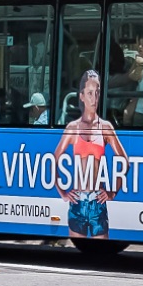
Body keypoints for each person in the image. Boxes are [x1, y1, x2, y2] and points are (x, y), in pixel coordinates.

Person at [53, 70, 128, 240]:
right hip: (77, 201)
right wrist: (63, 192)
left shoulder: (106, 127)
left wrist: (112, 192)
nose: (94, 98)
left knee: (101, 257)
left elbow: (125, 161)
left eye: (97, 93)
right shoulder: (73, 128)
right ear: (81, 96)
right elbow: (54, 160)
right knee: (78, 257)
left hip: (97, 201)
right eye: (89, 93)